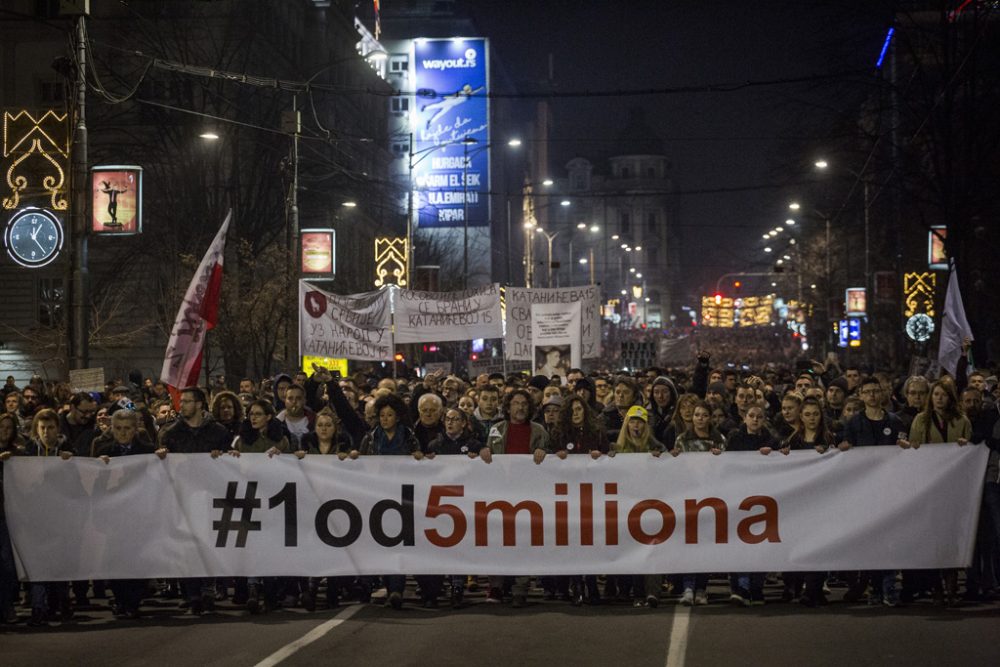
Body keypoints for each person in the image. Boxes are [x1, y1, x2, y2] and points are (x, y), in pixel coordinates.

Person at [156, 387, 231, 615]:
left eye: (187, 401)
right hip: (182, 497)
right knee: (188, 546)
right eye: (181, 401)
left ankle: (208, 590)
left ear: (199, 404)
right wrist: (161, 456)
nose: (182, 405)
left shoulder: (218, 432)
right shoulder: (171, 433)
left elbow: (231, 464)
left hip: (210, 497)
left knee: (207, 545)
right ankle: (192, 593)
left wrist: (224, 457)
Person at [839, 376, 907, 606]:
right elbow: (842, 449)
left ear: (882, 394)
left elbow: (904, 449)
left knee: (888, 539)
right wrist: (844, 447)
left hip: (889, 489)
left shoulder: (895, 421)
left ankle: (889, 587)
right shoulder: (853, 423)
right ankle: (874, 588)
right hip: (863, 490)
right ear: (861, 395)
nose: (872, 396)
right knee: (870, 540)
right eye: (867, 392)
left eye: (875, 391)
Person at [903, 379, 972, 606]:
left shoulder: (961, 421)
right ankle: (936, 588)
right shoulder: (921, 420)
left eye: (943, 395)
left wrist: (966, 446)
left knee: (951, 536)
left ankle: (952, 586)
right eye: (936, 395)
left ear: (950, 397)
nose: (939, 398)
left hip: (953, 488)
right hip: (930, 488)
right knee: (932, 538)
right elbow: (914, 448)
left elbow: (971, 449)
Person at [483, 389, 550, 606]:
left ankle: (520, 588)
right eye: (516, 403)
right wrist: (483, 452)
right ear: (508, 407)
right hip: (500, 494)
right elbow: (488, 454)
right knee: (498, 540)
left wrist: (544, 453)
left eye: (524, 404)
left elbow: (550, 459)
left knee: (522, 541)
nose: (520, 407)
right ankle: (496, 586)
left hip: (528, 495)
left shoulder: (539, 431)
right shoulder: (497, 430)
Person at [358, 393, 422, 609]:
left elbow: (420, 461)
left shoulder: (409, 437)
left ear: (398, 417)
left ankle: (397, 589)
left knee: (398, 544)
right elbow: (361, 466)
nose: (385, 419)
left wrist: (420, 458)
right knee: (381, 543)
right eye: (382, 415)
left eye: (390, 415)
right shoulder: (370, 438)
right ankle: (386, 585)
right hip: (377, 496)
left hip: (403, 497)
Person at [93, 410, 156, 619]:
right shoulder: (103, 450)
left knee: (138, 558)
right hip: (114, 514)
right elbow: (96, 484)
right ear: (112, 429)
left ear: (135, 429)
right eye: (118, 428)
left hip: (139, 513)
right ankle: (120, 599)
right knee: (115, 557)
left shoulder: (147, 450)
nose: (122, 433)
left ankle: (133, 601)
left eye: (127, 428)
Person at [425, 407, 486, 608]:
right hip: (441, 502)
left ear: (464, 423)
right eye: (448, 419)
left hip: (466, 501)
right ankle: (435, 587)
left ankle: (458, 585)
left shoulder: (473, 445)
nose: (450, 422)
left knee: (459, 545)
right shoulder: (435, 445)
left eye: (455, 419)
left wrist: (480, 455)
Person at [670, 400, 725, 606]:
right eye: (696, 415)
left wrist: (722, 458)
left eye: (704, 415)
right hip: (689, 498)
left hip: (711, 499)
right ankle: (688, 587)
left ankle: (702, 588)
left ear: (710, 418)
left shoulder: (719, 440)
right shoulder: (682, 440)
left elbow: (727, 468)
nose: (700, 418)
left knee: (705, 545)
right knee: (688, 544)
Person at [0, 413, 27, 624]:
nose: (5, 431)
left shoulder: (18, 454)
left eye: (9, 428)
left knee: (8, 566)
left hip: (9, 515)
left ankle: (7, 606)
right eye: (2, 427)